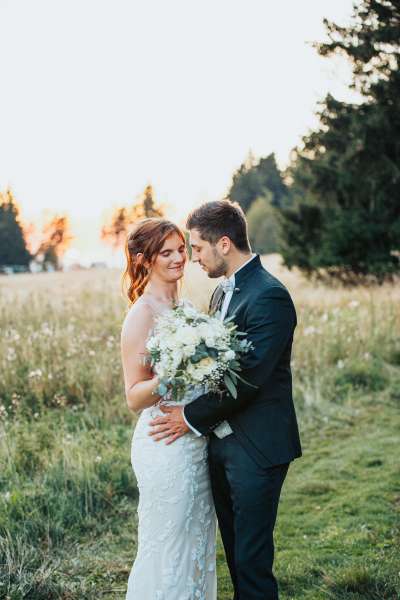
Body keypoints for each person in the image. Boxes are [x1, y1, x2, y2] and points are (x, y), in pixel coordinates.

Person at [149, 200, 302, 600]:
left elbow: (249, 378)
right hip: (221, 445)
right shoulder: (220, 293)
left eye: (197, 247)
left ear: (223, 244)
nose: (193, 257)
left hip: (257, 446)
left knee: (251, 562)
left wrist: (189, 416)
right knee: (235, 556)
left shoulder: (269, 296)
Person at [120, 218, 217, 600]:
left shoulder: (187, 308)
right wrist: (170, 375)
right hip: (164, 445)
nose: (179, 258)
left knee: (197, 545)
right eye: (167, 253)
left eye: (181, 249)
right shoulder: (142, 314)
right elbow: (133, 396)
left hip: (195, 441)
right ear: (144, 260)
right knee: (167, 549)